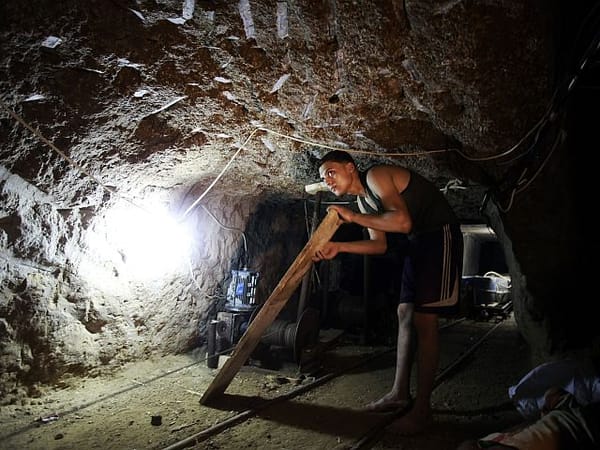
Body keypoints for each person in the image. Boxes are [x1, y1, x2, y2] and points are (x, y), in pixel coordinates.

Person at [312, 150, 463, 435]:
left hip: (439, 234)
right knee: (404, 312)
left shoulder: (376, 176)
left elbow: (402, 221)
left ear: (350, 167)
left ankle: (422, 412)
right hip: (417, 240)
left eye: (331, 171)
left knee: (425, 320)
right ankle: (399, 393)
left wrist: (354, 218)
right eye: (323, 177)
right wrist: (340, 248)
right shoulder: (363, 201)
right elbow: (379, 246)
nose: (327, 180)